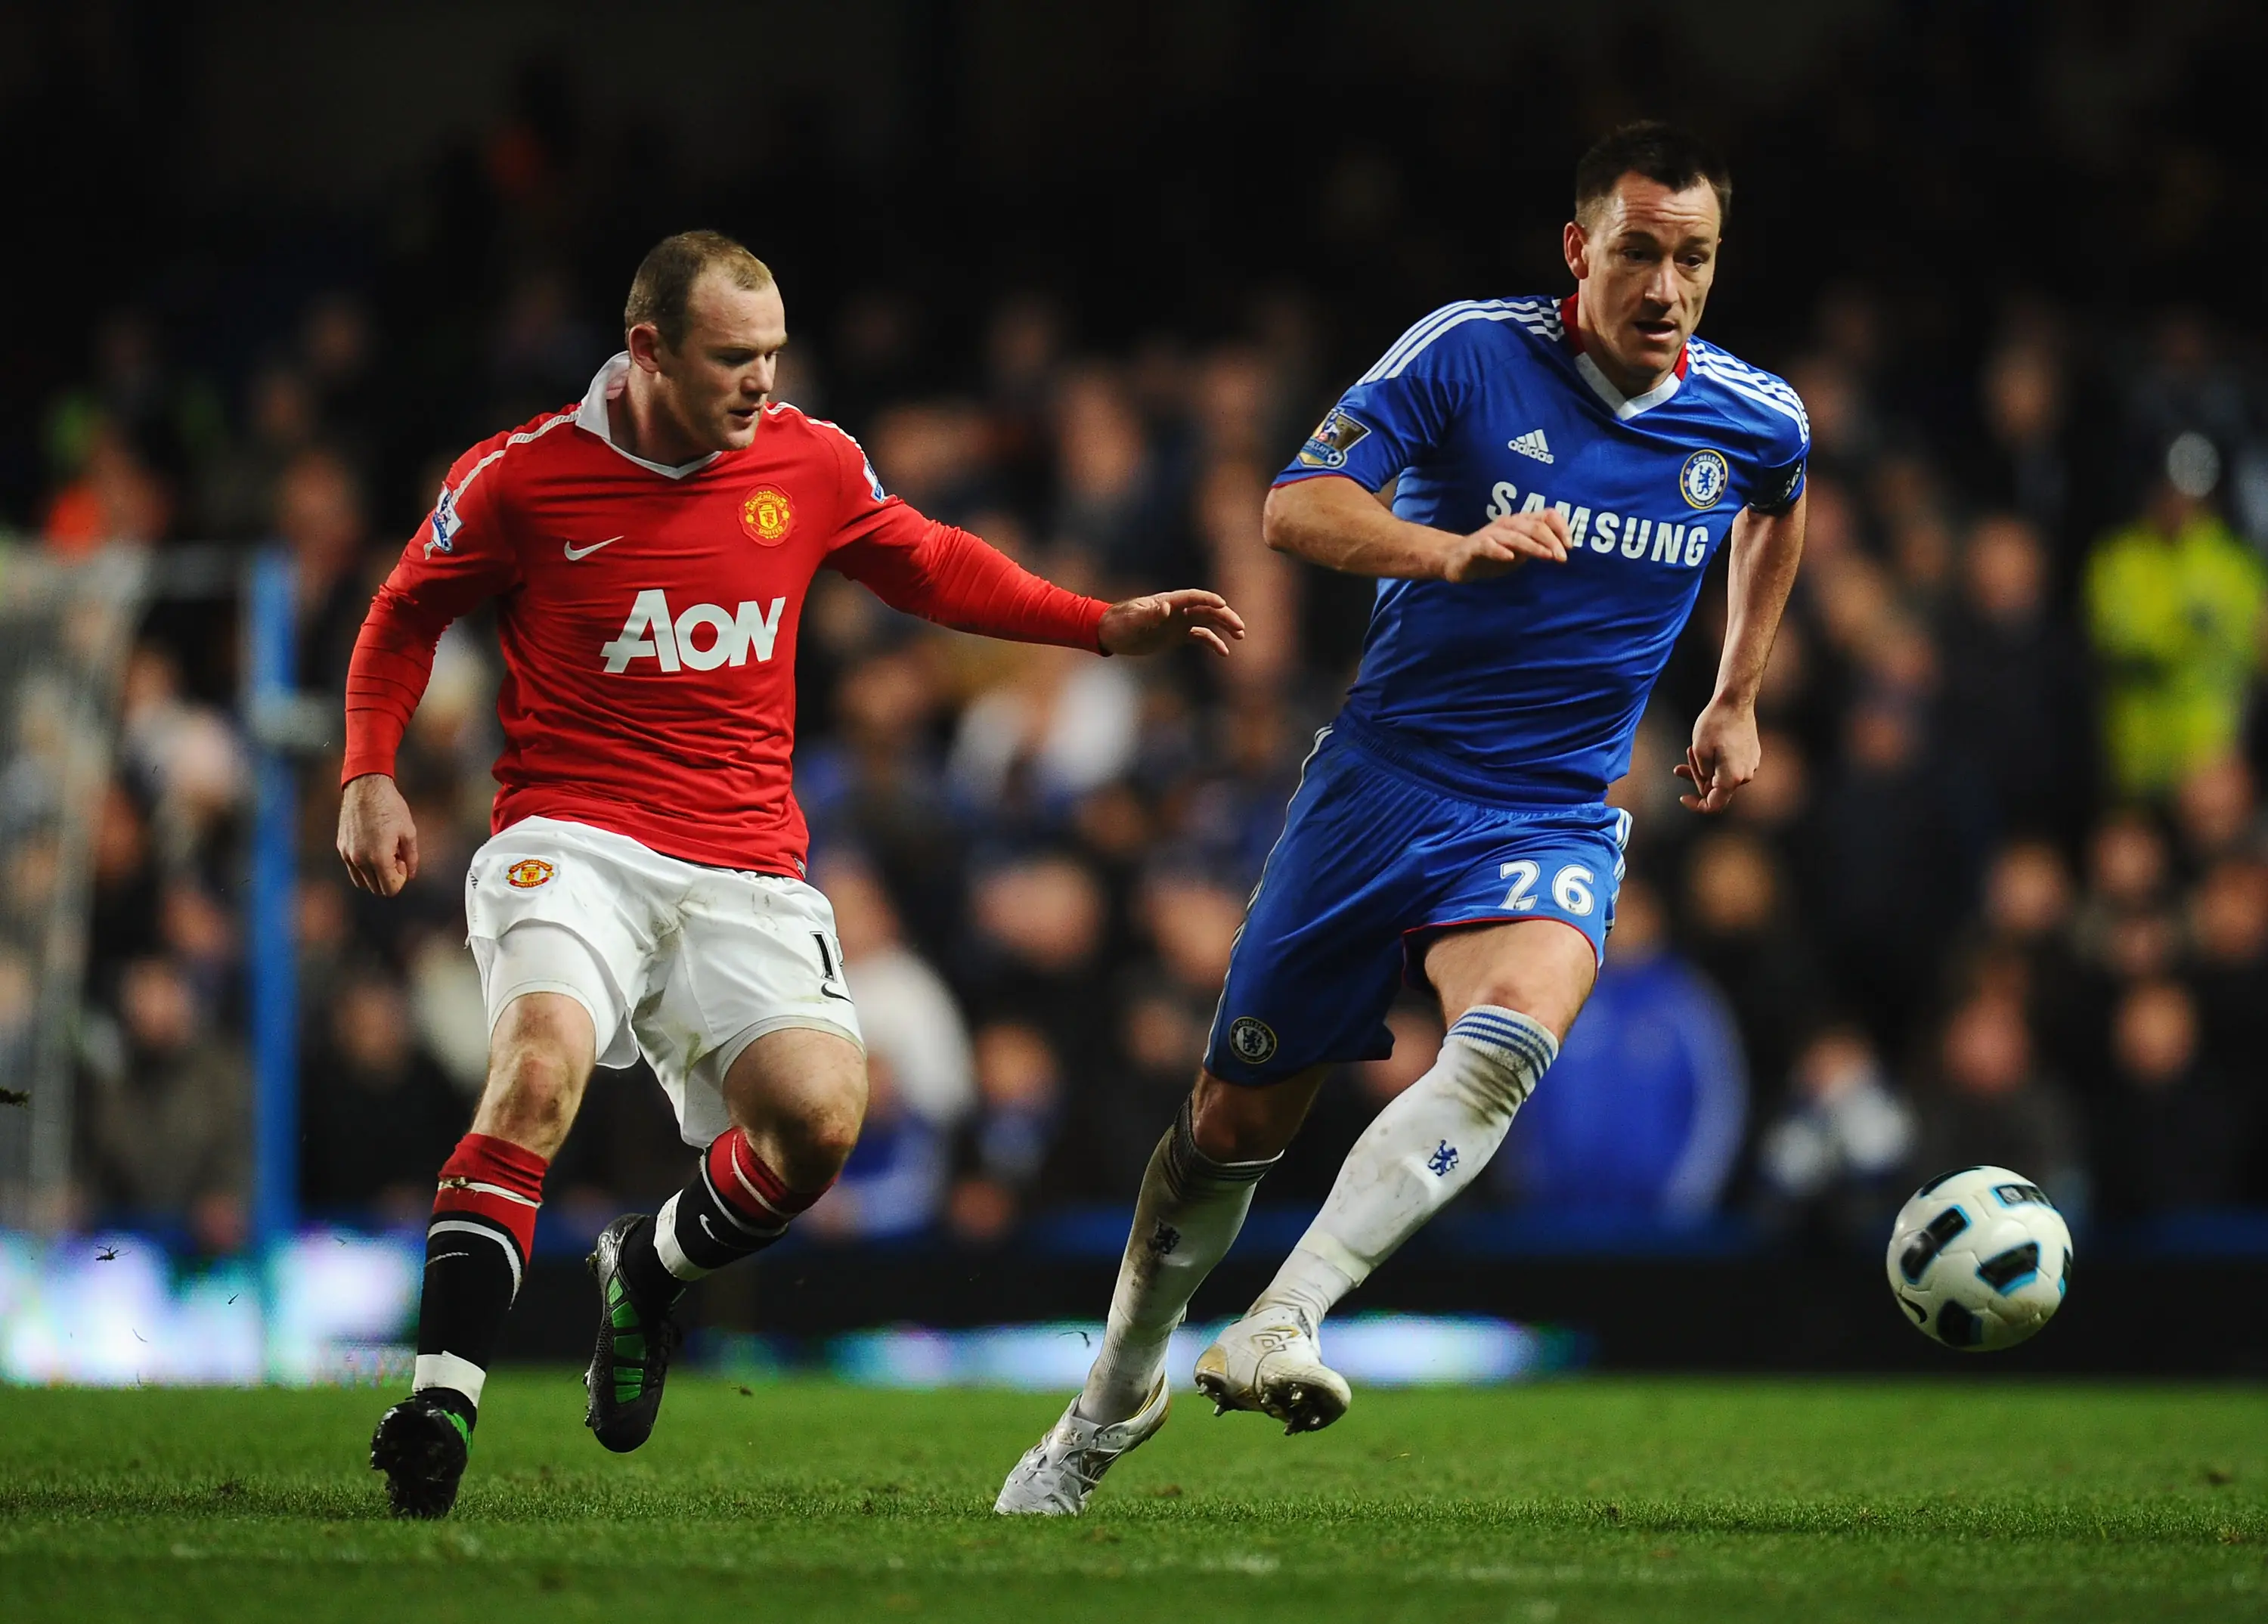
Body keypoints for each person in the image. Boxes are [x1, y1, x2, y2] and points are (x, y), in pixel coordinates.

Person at [336, 230, 1243, 1518]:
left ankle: (647, 1273)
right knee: (537, 1067)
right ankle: (438, 1409)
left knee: (818, 1123)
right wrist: (368, 771)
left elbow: (928, 561)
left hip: (744, 860)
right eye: (732, 357)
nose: (762, 380)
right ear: (648, 350)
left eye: (772, 353)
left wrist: (1094, 624)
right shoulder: (520, 477)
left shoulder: (807, 459)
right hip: (573, 838)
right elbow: (403, 614)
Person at [997, 122, 1808, 1514]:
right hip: (1383, 786)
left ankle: (1287, 1316)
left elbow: (1778, 506)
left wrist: (1736, 693)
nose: (1667, 288)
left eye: (1696, 259)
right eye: (1639, 253)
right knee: (1230, 1122)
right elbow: (1294, 506)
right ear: (1579, 249)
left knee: (1511, 1040)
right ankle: (1112, 1395)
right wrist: (1448, 549)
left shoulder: (1754, 415)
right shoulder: (1466, 353)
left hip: (1552, 806)